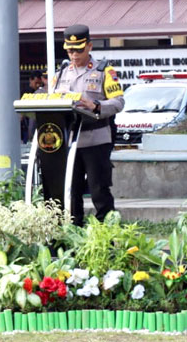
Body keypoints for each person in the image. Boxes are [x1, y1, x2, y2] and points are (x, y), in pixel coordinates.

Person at [53, 24, 125, 226]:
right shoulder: (61, 74)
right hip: (69, 142)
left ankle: (106, 233)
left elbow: (119, 102)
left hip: (96, 140)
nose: (74, 54)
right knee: (71, 190)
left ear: (89, 46)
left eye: (78, 49)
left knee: (99, 190)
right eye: (69, 50)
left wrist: (95, 105)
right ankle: (75, 232)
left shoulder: (104, 72)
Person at [22, 71, 44, 142]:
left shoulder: (41, 92)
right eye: (36, 83)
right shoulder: (25, 92)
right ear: (30, 80)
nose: (38, 85)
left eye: (40, 83)